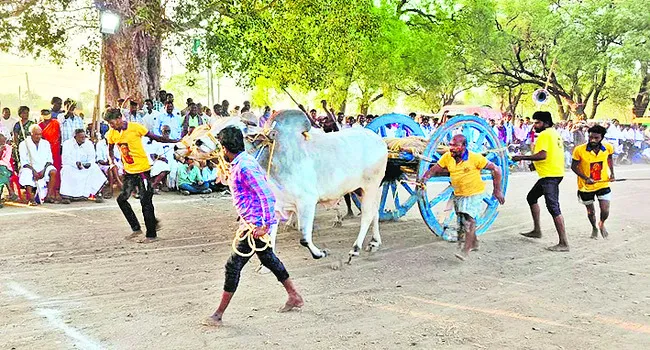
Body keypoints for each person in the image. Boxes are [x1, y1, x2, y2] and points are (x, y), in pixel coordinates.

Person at [205, 126, 303, 327]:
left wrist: (265, 225)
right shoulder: (243, 162)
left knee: (232, 266)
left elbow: (266, 194)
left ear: (225, 148)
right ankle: (294, 296)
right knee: (269, 259)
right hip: (251, 223)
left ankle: (218, 315)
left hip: (255, 227)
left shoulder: (244, 166)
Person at [419, 134, 505, 260]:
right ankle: (474, 242)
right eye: (450, 145)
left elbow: (496, 169)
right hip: (459, 193)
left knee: (468, 219)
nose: (451, 148)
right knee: (462, 219)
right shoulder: (447, 157)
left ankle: (466, 249)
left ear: (464, 146)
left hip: (474, 193)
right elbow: (434, 170)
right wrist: (424, 179)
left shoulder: (475, 158)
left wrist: (497, 190)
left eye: (455, 145)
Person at [105, 108, 178, 243]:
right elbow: (110, 150)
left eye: (112, 122)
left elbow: (156, 138)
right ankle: (136, 228)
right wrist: (111, 162)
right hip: (129, 171)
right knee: (121, 199)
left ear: (120, 118)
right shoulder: (111, 134)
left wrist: (175, 141)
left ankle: (151, 234)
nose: (112, 125)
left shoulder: (135, 128)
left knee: (145, 201)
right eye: (109, 123)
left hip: (143, 170)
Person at [512, 111, 569, 252]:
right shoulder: (553, 133)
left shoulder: (545, 135)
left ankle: (564, 243)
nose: (534, 125)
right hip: (553, 173)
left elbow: (542, 155)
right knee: (531, 198)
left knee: (553, 207)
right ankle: (537, 230)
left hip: (550, 175)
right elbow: (549, 154)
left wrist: (521, 158)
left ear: (545, 123)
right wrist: (534, 164)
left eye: (537, 122)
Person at [571, 125, 615, 239]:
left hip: (602, 183)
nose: (593, 140)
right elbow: (574, 167)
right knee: (591, 212)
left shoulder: (608, 147)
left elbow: (609, 158)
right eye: (590, 137)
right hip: (585, 186)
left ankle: (601, 223)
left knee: (605, 210)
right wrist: (586, 178)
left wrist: (612, 173)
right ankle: (594, 227)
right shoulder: (579, 150)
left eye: (596, 138)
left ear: (602, 138)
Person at [60, 129, 107, 203]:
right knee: (66, 169)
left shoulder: (89, 144)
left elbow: (92, 157)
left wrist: (88, 164)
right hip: (72, 166)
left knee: (95, 168)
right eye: (81, 137)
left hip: (85, 166)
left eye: (84, 137)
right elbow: (66, 159)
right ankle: (67, 196)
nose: (83, 139)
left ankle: (97, 194)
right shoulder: (67, 144)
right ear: (75, 137)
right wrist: (76, 164)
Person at [18, 125, 60, 204]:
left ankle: (48, 196)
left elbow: (49, 160)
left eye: (40, 134)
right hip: (30, 167)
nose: (38, 136)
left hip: (44, 167)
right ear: (31, 134)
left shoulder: (45, 143)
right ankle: (31, 199)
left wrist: (43, 171)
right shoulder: (24, 144)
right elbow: (24, 162)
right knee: (27, 173)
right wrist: (34, 171)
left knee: (53, 171)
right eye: (36, 134)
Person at [38, 109, 62, 190]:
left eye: (48, 113)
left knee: (56, 166)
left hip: (56, 148)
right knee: (45, 166)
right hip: (45, 149)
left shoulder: (55, 123)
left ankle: (57, 187)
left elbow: (59, 135)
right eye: (44, 114)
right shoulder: (39, 125)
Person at [0, 133, 17, 205]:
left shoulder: (8, 148)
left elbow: (5, 161)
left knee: (2, 171)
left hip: (6, 168)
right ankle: (10, 191)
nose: (3, 143)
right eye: (1, 142)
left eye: (4, 141)